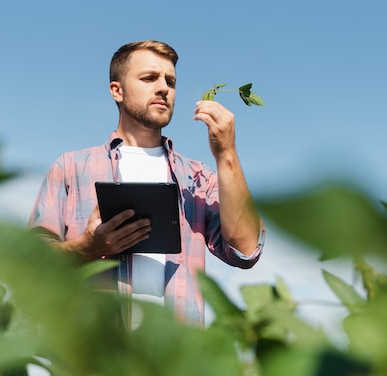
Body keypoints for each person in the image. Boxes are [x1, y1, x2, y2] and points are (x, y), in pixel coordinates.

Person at [28, 40, 265, 328]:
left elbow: (246, 250)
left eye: (170, 81)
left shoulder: (197, 178)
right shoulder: (70, 168)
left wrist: (226, 154)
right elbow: (30, 263)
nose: (164, 87)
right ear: (117, 90)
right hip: (94, 361)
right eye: (149, 78)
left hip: (176, 362)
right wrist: (87, 247)